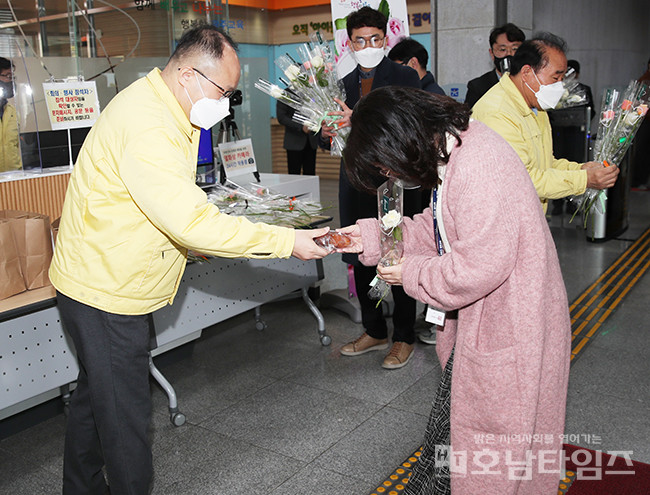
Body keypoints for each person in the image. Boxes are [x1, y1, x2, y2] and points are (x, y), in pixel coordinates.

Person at [49, 26, 329, 495]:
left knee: (97, 400)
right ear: (187, 74)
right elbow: (190, 221)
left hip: (106, 278)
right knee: (125, 420)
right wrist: (289, 242)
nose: (225, 104)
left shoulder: (165, 108)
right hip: (106, 291)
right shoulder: (150, 125)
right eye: (224, 91)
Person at [336, 86, 571, 494]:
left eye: (387, 167)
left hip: (510, 327)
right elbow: (439, 227)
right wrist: (369, 236)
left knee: (492, 457)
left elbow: (474, 268)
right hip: (494, 323)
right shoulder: (457, 148)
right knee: (461, 447)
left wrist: (410, 273)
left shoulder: (478, 165)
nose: (391, 176)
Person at [321, 6, 422, 369]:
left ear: (386, 38)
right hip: (355, 185)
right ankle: (375, 328)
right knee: (361, 256)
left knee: (399, 255)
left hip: (394, 184)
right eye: (360, 40)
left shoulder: (404, 77)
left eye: (375, 39)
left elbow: (409, 124)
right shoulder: (341, 84)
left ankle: (405, 335)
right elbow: (327, 139)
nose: (368, 45)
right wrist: (326, 131)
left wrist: (359, 115)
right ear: (350, 43)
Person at [472, 33, 619, 214]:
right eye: (555, 78)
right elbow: (525, 179)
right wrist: (584, 180)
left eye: (562, 79)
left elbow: (544, 164)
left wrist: (581, 169)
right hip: (502, 218)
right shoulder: (498, 113)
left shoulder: (535, 105)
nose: (560, 86)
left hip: (527, 215)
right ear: (527, 73)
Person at [549, 58, 595, 215]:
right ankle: (556, 204)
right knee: (556, 166)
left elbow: (591, 111)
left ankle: (572, 203)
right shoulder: (554, 90)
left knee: (575, 164)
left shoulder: (584, 89)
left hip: (576, 134)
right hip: (558, 134)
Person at [464, 23, 525, 108]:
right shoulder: (478, 87)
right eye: (502, 49)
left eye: (515, 49)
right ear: (492, 54)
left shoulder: (532, 83)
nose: (509, 54)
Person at [276, 100, 318, 175]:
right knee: (294, 174)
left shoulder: (311, 92)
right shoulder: (285, 94)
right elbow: (281, 118)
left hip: (311, 141)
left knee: (310, 175)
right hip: (294, 141)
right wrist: (301, 127)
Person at [0, 57, 22, 173]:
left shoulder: (12, 111)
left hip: (13, 176)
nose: (11, 81)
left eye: (12, 77)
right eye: (7, 76)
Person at [631, 57, 650, 189]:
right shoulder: (644, 80)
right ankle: (638, 181)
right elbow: (638, 104)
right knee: (643, 153)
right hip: (645, 122)